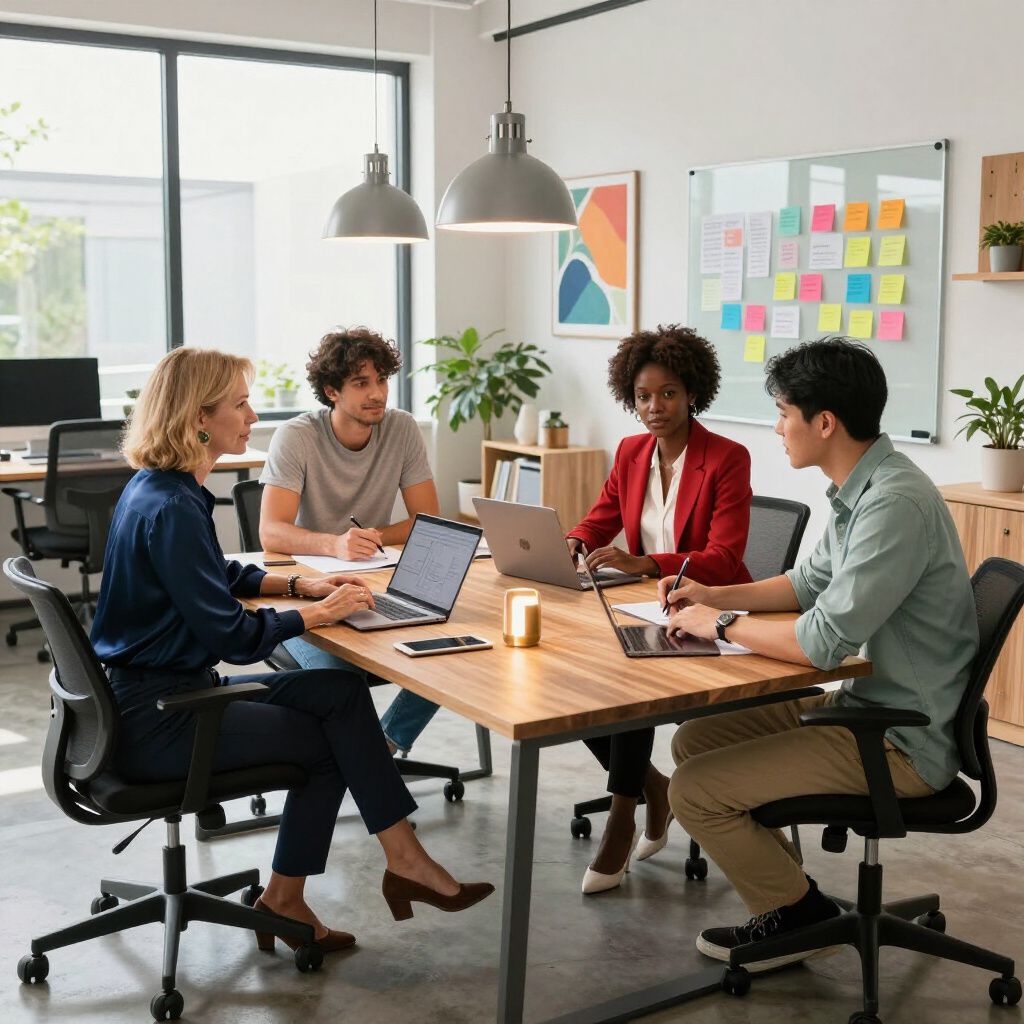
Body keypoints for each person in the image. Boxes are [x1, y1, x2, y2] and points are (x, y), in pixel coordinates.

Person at [91, 348, 492, 952]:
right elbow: (234, 637)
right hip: (161, 720)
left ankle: (391, 863)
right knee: (328, 744)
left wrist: (303, 582)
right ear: (199, 418)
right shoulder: (173, 506)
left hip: (156, 697)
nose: (252, 416)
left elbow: (220, 573)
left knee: (338, 693)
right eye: (240, 404)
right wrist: (318, 614)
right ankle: (307, 892)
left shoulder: (164, 490)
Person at [659, 336, 977, 971]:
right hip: (872, 703)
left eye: (783, 412)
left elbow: (822, 643)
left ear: (824, 422)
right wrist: (713, 590)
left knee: (692, 790)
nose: (777, 428)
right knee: (695, 740)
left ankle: (800, 921)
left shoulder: (893, 505)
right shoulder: (860, 485)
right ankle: (791, 895)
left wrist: (720, 622)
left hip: (900, 739)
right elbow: (807, 585)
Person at [564, 324, 753, 894]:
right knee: (572, 682)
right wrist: (575, 542)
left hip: (708, 615)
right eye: (643, 396)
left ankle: (621, 819)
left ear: (693, 392)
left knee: (627, 684)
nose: (654, 407)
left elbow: (723, 558)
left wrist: (645, 564)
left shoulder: (726, 458)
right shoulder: (630, 452)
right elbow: (600, 519)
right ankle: (651, 786)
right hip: (644, 611)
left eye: (668, 393)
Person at [259, 328, 443, 756]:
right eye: (361, 383)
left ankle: (381, 745)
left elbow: (428, 521)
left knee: (455, 655)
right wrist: (335, 545)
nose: (377, 393)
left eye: (381, 380)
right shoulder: (297, 436)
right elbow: (271, 531)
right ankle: (356, 762)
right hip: (303, 596)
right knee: (341, 680)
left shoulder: (401, 429)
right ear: (331, 391)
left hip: (375, 585)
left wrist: (374, 537)